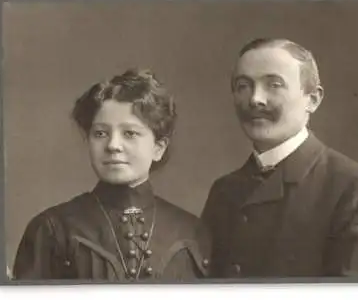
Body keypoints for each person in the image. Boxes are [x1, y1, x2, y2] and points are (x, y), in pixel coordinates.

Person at [201, 38, 358, 278]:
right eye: (243, 86)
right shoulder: (224, 191)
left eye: (274, 85)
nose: (255, 99)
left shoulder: (355, 188)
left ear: (312, 100)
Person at [13, 69, 211, 282]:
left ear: (158, 148)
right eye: (100, 133)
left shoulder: (191, 232)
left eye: (130, 133)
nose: (113, 145)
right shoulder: (52, 229)